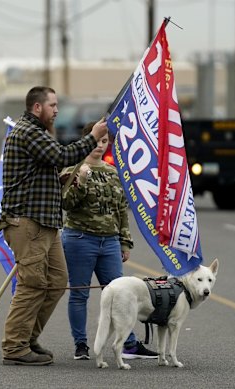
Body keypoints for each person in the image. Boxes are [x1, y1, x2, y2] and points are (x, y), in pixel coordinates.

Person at [0, 86, 108, 366]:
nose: (57, 110)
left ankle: (28, 338)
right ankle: (15, 347)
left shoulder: (38, 133)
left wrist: (60, 181)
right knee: (32, 284)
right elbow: (60, 156)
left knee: (56, 282)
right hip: (27, 222)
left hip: (45, 223)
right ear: (37, 108)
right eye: (53, 105)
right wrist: (93, 138)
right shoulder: (28, 132)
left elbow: (43, 171)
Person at [60, 122, 158, 361]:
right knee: (80, 293)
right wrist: (81, 181)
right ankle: (81, 345)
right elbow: (66, 204)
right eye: (96, 141)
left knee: (119, 293)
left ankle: (129, 344)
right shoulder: (71, 169)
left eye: (104, 142)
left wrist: (125, 241)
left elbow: (121, 210)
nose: (99, 146)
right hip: (80, 239)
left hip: (110, 242)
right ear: (87, 140)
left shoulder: (113, 173)